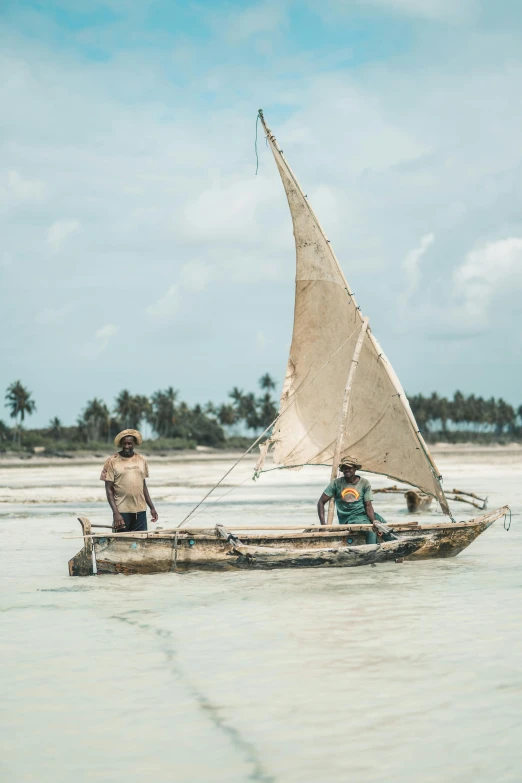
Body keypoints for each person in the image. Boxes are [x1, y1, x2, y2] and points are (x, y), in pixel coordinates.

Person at [317, 455, 390, 544]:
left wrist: (374, 521)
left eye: (349, 467)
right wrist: (323, 525)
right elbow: (321, 502)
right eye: (344, 468)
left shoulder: (364, 483)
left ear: (355, 469)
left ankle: (398, 552)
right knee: (370, 530)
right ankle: (371, 556)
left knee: (385, 527)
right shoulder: (336, 483)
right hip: (350, 519)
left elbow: (368, 506)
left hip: (364, 515)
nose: (346, 470)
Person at [101, 429, 158, 532]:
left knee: (140, 543)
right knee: (120, 543)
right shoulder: (112, 461)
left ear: (134, 444)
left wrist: (152, 508)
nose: (127, 446)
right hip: (122, 512)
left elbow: (143, 486)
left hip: (140, 510)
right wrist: (116, 513)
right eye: (124, 444)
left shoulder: (141, 460)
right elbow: (108, 490)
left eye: (129, 444)